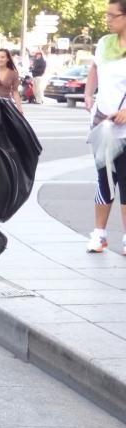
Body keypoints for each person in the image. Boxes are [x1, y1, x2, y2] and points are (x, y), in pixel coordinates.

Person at [84, 0, 126, 254]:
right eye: (107, 15)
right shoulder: (104, 43)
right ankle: (99, 234)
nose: (108, 19)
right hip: (103, 125)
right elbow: (95, 68)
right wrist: (89, 94)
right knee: (104, 180)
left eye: (113, 15)